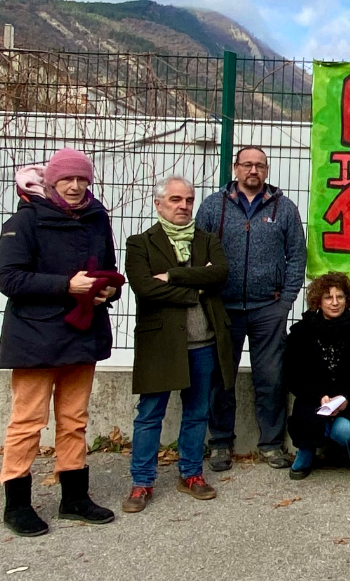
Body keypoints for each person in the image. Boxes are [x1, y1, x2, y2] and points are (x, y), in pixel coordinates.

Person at [0, 148, 119, 536]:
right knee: (27, 422)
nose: (76, 186)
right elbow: (9, 279)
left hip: (82, 332)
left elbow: (109, 269)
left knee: (74, 421)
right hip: (34, 336)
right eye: (68, 179)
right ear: (51, 182)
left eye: (83, 179)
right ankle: (16, 504)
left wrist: (105, 292)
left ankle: (74, 498)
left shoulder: (98, 219)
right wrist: (67, 285)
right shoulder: (25, 220)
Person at [122, 177, 234, 512]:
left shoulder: (207, 240)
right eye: (175, 199)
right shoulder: (140, 243)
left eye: (188, 199)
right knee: (149, 415)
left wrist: (173, 275)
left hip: (204, 343)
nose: (183, 206)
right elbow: (144, 288)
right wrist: (196, 286)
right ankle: (142, 482)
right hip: (161, 344)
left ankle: (191, 474)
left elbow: (221, 274)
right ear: (159, 204)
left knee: (197, 413)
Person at [197, 146, 306, 471]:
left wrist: (286, 300)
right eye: (247, 165)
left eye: (259, 165)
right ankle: (220, 443)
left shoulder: (284, 208)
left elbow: (296, 256)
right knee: (221, 377)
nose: (253, 171)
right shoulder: (213, 206)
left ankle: (271, 444)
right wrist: (207, 295)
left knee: (271, 379)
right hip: (223, 307)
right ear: (236, 168)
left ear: (267, 170)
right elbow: (197, 250)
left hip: (268, 308)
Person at [284, 272, 350, 479]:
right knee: (309, 419)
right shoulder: (302, 331)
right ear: (318, 301)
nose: (335, 302)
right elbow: (293, 374)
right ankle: (307, 451)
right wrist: (319, 396)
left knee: (344, 430)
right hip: (314, 400)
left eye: (340, 296)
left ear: (348, 299)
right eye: (328, 297)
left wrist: (347, 399)